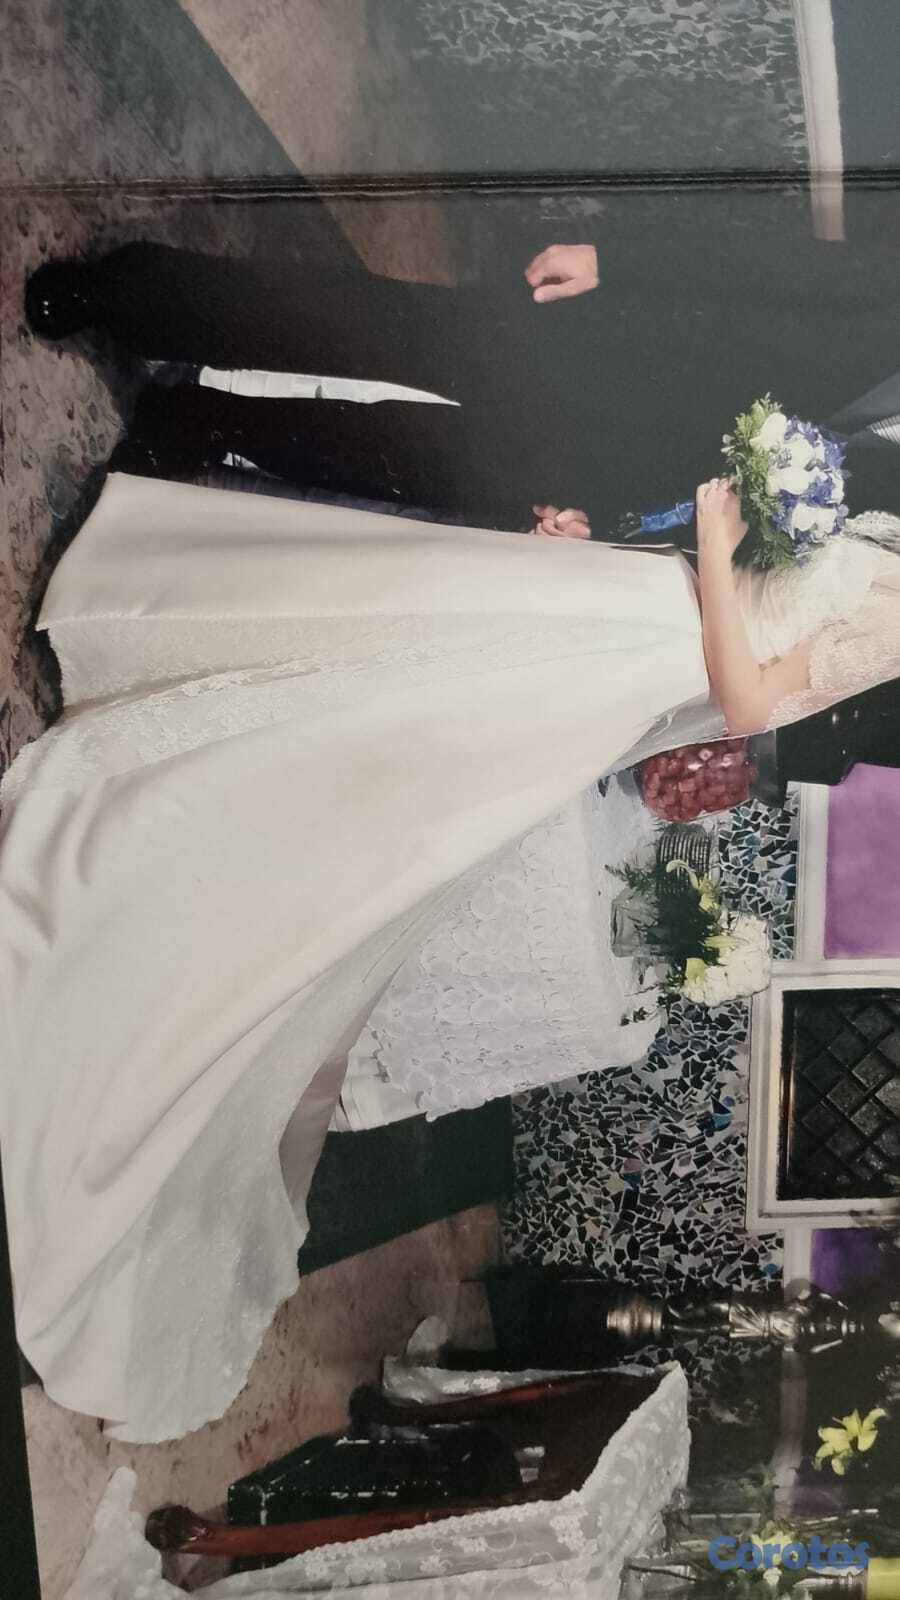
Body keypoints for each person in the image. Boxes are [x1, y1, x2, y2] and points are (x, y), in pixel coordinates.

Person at [0, 472, 897, 1443]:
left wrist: (717, 545)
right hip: (633, 609)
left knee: (399, 760)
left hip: (649, 645)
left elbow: (749, 700)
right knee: (398, 671)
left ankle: (161, 853)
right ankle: (164, 689)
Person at [23, 193, 900, 535]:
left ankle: (196, 422)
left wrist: (613, 518)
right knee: (359, 325)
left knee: (389, 459)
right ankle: (128, 295)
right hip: (603, 344)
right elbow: (762, 260)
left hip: (602, 465)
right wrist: (614, 257)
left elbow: (765, 535)